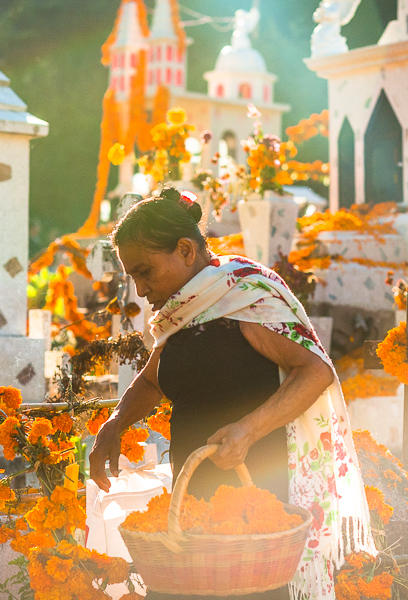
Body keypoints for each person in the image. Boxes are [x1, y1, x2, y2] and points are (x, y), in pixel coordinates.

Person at [89, 187, 374, 600]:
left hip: (253, 506)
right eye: (132, 276)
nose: (140, 289)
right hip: (194, 507)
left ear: (186, 250)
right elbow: (153, 381)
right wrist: (115, 424)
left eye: (145, 271)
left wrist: (248, 431)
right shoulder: (182, 310)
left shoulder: (244, 297)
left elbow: (315, 371)